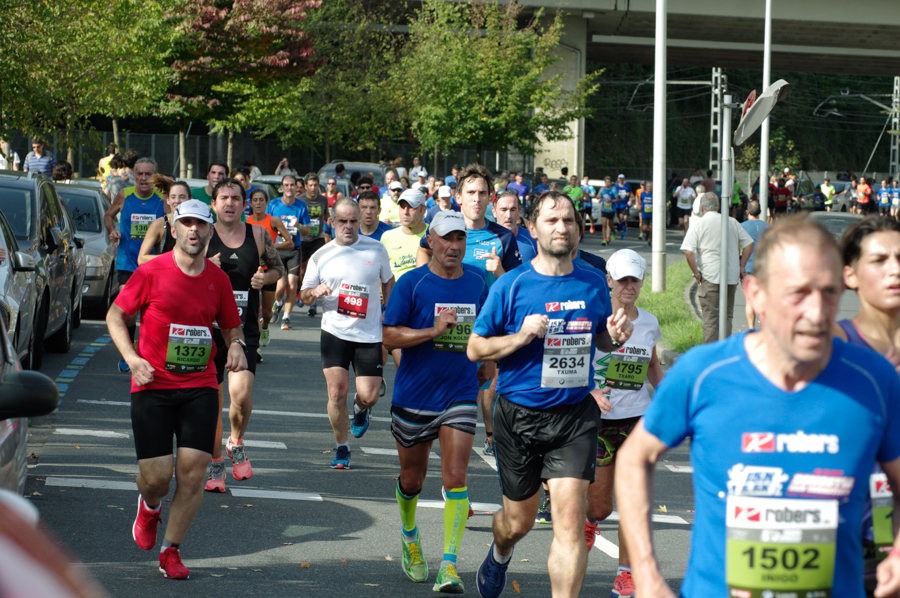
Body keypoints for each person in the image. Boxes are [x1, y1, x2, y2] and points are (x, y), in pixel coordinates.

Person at [616, 215, 900, 598]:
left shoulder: (874, 379)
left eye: (829, 292)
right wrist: (647, 574)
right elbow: (634, 458)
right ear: (755, 293)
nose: (817, 312)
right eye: (798, 293)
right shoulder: (704, 373)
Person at [467, 190, 632, 598]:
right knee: (517, 523)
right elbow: (475, 348)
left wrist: (613, 337)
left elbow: (601, 338)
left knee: (570, 523)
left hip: (574, 415)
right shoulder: (512, 285)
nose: (562, 227)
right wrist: (520, 336)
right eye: (552, 220)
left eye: (568, 220)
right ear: (533, 228)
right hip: (518, 415)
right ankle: (500, 553)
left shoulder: (593, 282)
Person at [106, 199, 247, 580]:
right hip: (152, 384)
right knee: (157, 478)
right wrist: (132, 359)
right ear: (173, 229)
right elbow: (115, 316)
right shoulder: (151, 272)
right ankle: (150, 505)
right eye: (186, 223)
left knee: (193, 472)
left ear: (210, 230)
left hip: (200, 385)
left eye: (200, 224)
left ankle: (171, 550)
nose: (193, 230)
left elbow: (231, 326)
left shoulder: (218, 280)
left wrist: (236, 344)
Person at [382, 210, 489, 593]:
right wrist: (433, 330)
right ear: (431, 240)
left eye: (460, 238)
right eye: (446, 238)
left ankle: (449, 565)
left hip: (459, 392)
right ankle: (410, 535)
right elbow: (389, 337)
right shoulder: (412, 283)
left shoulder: (478, 281)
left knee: (456, 477)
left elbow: (488, 328)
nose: (454, 246)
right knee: (412, 480)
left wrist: (489, 361)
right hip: (415, 395)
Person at [416, 164, 521, 457]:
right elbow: (424, 248)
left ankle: (472, 446)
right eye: (471, 192)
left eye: (482, 193)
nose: (477, 199)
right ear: (459, 197)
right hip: (445, 323)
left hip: (485, 326)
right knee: (439, 391)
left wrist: (499, 271)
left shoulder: (503, 237)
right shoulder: (444, 228)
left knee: (479, 389)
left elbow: (517, 287)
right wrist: (423, 280)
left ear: (489, 199)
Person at [585, 249, 663, 598]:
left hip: (638, 421)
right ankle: (589, 522)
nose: (629, 286)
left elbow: (652, 365)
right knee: (601, 507)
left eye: (635, 279)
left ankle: (625, 574)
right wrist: (591, 391)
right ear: (609, 281)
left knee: (634, 503)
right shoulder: (596, 319)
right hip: (600, 422)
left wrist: (668, 401)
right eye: (622, 280)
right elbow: (575, 361)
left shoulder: (649, 322)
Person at [299, 199, 394, 470]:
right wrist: (313, 292)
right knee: (335, 392)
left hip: (369, 334)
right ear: (332, 222)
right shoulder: (321, 255)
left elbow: (388, 280)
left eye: (354, 221)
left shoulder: (376, 248)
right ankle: (342, 446)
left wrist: (388, 313)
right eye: (343, 221)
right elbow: (304, 295)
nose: (349, 226)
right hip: (335, 332)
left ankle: (361, 408)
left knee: (369, 396)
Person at [203, 179, 284, 493]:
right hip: (207, 330)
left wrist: (265, 277)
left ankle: (235, 442)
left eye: (236, 198)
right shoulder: (202, 234)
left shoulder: (258, 234)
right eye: (224, 197)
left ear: (244, 204)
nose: (230, 203)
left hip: (242, 329)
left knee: (240, 396)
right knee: (212, 402)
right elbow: (179, 270)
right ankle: (216, 464)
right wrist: (203, 265)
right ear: (214, 204)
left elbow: (278, 268)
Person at [834, 216, 900, 591]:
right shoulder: (831, 349)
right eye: (880, 260)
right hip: (847, 542)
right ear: (851, 274)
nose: (895, 269)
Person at [104, 157, 166, 373]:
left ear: (154, 177)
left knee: (152, 313)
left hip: (154, 264)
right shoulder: (124, 195)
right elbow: (108, 215)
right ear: (134, 175)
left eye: (148, 174)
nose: (143, 178)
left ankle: (148, 351)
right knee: (129, 311)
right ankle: (129, 348)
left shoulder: (162, 199)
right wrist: (112, 230)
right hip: (128, 263)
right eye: (140, 174)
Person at [681, 193, 754, 344]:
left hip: (709, 276)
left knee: (710, 319)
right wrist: (741, 266)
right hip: (730, 276)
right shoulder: (732, 222)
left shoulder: (699, 224)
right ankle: (724, 351)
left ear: (702, 208)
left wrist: (696, 273)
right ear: (718, 206)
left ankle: (711, 353)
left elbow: (688, 252)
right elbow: (749, 243)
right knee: (727, 316)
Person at [247, 188, 293, 356]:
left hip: (269, 272)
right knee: (254, 309)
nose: (258, 203)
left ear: (267, 203)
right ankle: (256, 346)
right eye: (255, 200)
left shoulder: (273, 220)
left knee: (266, 313)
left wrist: (270, 247)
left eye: (262, 200)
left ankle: (265, 326)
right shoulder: (245, 221)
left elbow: (290, 243)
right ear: (250, 203)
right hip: (251, 271)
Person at [266, 174, 311, 330]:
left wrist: (298, 225)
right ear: (282, 187)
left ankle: (286, 318)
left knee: (292, 285)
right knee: (280, 287)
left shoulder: (301, 206)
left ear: (296, 187)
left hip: (294, 250)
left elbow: (307, 230)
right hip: (278, 250)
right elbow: (266, 224)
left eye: (292, 185)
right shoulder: (273, 204)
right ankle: (278, 303)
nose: (290, 188)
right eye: (287, 185)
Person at [137, 176, 192, 265]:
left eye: (182, 197)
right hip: (164, 272)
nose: (177, 201)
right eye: (173, 197)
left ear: (190, 199)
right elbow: (142, 259)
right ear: (168, 200)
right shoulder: (159, 224)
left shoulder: (196, 224)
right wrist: (173, 259)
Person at [298, 172, 330, 319]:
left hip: (318, 238)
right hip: (303, 238)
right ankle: (303, 292)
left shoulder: (323, 199)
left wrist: (330, 221)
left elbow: (326, 214)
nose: (313, 188)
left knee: (317, 269)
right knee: (303, 270)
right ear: (305, 186)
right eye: (310, 185)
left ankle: (313, 304)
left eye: (315, 185)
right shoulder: (300, 200)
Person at [740, 201, 768, 330]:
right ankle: (765, 327)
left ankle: (751, 329)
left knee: (749, 300)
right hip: (764, 269)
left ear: (747, 212)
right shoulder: (769, 228)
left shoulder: (741, 227)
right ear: (760, 212)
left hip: (747, 268)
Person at [493, 189, 537, 264]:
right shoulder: (483, 239)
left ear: (519, 211)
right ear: (494, 212)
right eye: (503, 210)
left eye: (513, 210)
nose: (508, 216)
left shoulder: (533, 240)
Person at [598, 177, 617, 245]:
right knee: (604, 224)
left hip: (611, 210)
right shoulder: (603, 190)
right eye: (606, 182)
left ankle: (614, 231)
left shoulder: (613, 190)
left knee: (610, 225)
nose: (607, 183)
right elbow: (599, 196)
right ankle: (604, 239)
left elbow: (617, 199)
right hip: (604, 209)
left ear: (611, 183)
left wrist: (610, 201)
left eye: (609, 182)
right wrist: (600, 198)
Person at [613, 175, 633, 240]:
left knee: (624, 218)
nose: (621, 180)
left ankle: (624, 231)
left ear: (624, 179)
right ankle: (623, 230)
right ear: (617, 179)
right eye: (620, 178)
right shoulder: (615, 187)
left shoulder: (627, 186)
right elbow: (612, 195)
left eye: (622, 178)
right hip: (617, 205)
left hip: (624, 205)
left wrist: (630, 200)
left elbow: (633, 196)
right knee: (619, 219)